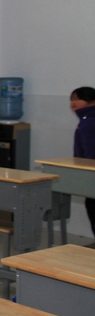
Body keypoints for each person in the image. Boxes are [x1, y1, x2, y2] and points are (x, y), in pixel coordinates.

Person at [70, 86, 95, 244]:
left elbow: (91, 153)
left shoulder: (89, 121)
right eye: (71, 99)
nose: (73, 103)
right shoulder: (86, 119)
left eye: (77, 99)